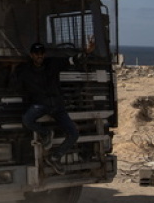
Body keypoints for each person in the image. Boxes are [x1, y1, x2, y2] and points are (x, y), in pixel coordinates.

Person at [14, 39, 96, 174]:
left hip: (58, 106)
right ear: (31, 55)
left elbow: (72, 60)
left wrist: (86, 52)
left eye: (41, 53)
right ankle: (46, 133)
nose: (39, 56)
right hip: (40, 105)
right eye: (36, 53)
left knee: (74, 133)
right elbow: (18, 87)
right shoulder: (25, 70)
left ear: (44, 54)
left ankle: (55, 157)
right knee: (27, 120)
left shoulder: (52, 64)